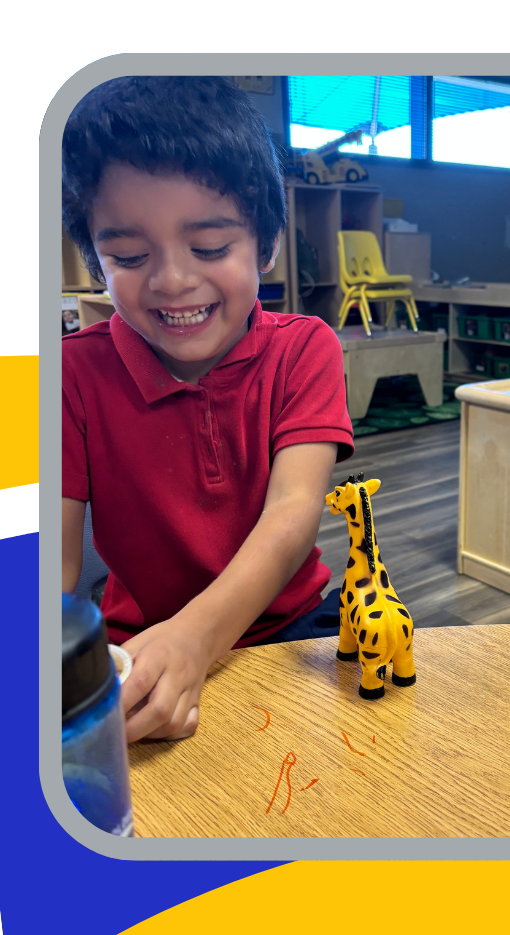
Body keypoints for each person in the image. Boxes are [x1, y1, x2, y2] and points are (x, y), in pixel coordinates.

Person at [60, 77, 355, 742]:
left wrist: (197, 638)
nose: (171, 280)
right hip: (136, 645)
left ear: (268, 244)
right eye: (129, 256)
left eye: (211, 248)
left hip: (288, 628)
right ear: (97, 259)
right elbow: (51, 566)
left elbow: (292, 514)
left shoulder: (305, 348)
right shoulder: (69, 377)